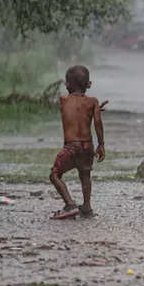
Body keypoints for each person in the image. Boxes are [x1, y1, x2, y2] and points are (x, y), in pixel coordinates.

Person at [49, 65, 108, 219]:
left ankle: (70, 205)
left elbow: (73, 109)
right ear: (89, 85)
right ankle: (87, 206)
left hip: (71, 147)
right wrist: (101, 144)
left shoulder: (63, 100)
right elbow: (97, 123)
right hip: (88, 147)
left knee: (55, 174)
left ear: (68, 84)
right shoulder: (93, 102)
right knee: (85, 174)